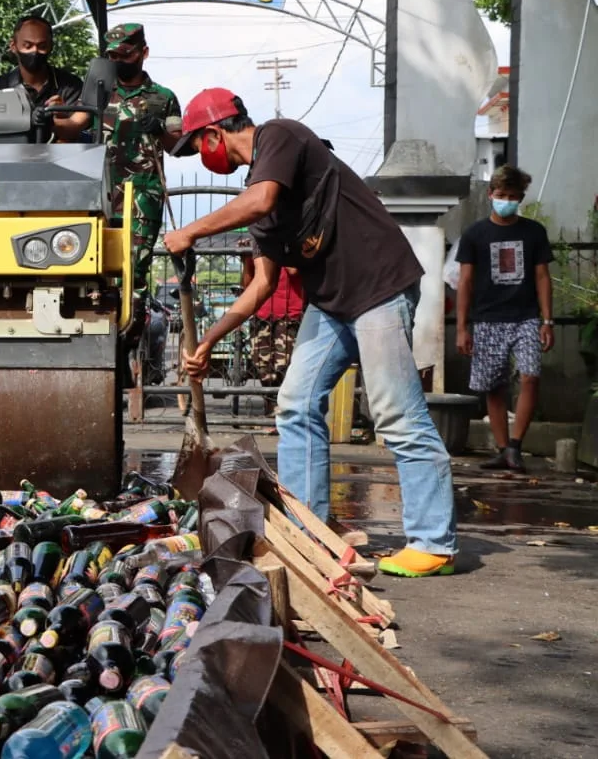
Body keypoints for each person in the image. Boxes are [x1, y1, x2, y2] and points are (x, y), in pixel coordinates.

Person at [162, 87, 457, 578]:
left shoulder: (281, 136)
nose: (200, 156)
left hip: (378, 286)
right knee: (296, 405)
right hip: (333, 303)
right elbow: (262, 286)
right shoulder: (261, 206)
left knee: (395, 413)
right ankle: (309, 528)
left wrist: (192, 230)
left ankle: (434, 543)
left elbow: (261, 198)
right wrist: (209, 341)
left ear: (214, 133)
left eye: (196, 147)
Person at [456, 165, 554, 473]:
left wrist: (547, 320)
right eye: (501, 195)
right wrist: (461, 327)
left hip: (526, 317)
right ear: (490, 195)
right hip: (487, 319)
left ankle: (515, 446)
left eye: (513, 196)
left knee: (530, 375)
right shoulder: (474, 234)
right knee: (493, 386)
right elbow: (466, 281)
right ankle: (502, 450)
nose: (507, 200)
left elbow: (542, 276)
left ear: (521, 198)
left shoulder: (533, 232)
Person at [99, 23, 182, 298]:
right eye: (114, 56)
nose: (119, 61)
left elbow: (177, 145)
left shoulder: (164, 97)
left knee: (132, 273)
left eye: (126, 54)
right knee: (95, 267)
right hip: (101, 194)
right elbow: (74, 129)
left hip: (142, 197)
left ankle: (130, 336)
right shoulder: (98, 94)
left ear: (143, 52)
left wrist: (158, 128)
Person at [0, 15, 89, 141]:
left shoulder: (71, 86)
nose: (35, 51)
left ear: (51, 46)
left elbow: (77, 127)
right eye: (28, 46)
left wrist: (58, 119)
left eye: (42, 46)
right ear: (13, 46)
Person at [241, 243, 304, 426]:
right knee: (262, 367)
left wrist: (278, 245)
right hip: (262, 314)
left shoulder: (290, 244)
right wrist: (248, 257)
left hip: (288, 314)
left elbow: (293, 271)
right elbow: (247, 284)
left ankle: (282, 415)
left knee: (283, 366)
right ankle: (272, 412)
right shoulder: (261, 245)